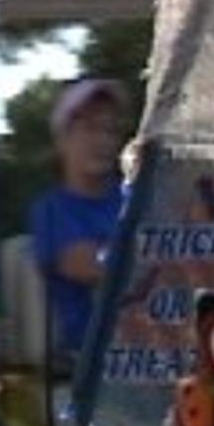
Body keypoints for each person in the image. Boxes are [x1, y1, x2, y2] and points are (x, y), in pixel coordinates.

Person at [28, 77, 129, 368]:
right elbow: (90, 267)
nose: (103, 141)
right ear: (63, 139)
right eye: (90, 128)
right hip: (86, 367)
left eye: (111, 130)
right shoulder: (50, 211)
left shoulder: (136, 200)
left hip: (150, 354)